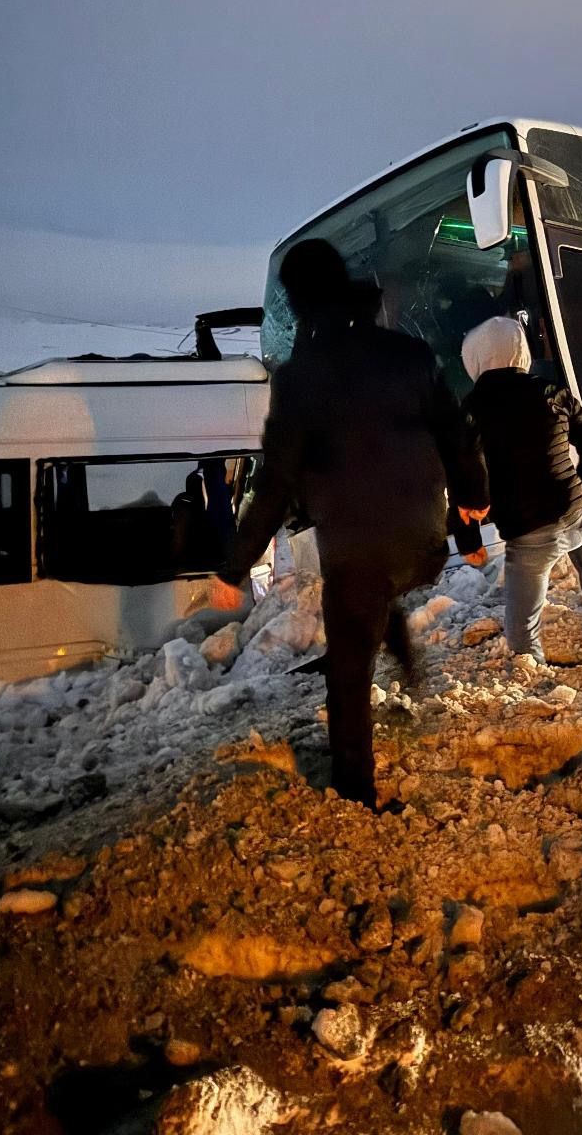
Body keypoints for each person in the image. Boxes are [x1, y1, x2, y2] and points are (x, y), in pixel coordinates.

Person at [209, 239, 488, 809]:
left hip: (358, 542)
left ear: (297, 301)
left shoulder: (299, 378)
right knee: (376, 590)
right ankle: (406, 657)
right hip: (420, 536)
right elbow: (456, 431)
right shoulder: (408, 353)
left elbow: (277, 484)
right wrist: (472, 500)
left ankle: (355, 794)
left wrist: (235, 567)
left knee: (346, 666)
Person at [458, 316, 582, 664]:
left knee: (521, 632)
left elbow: (465, 475)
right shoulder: (553, 391)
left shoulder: (473, 409)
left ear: (475, 358)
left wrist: (468, 537)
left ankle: (537, 688)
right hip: (575, 514)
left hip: (530, 530)